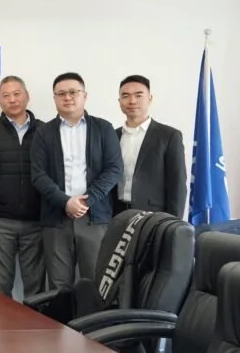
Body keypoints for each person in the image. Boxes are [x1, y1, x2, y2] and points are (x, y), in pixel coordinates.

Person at [31, 72, 123, 288]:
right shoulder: (43, 133)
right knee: (58, 286)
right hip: (56, 219)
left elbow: (114, 169)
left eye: (73, 92)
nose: (67, 97)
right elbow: (38, 174)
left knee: (95, 283)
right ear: (54, 98)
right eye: (61, 93)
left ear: (85, 96)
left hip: (94, 218)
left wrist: (86, 201)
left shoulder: (103, 128)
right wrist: (65, 202)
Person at [0, 76, 46, 297]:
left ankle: (35, 321)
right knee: (0, 286)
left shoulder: (45, 130)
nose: (12, 100)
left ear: (27, 96)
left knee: (36, 287)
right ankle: (2, 322)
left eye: (17, 94)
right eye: (6, 96)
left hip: (36, 221)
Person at [114, 75, 187, 218]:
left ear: (150, 98)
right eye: (126, 96)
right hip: (116, 214)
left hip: (153, 215)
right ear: (119, 101)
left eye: (138, 95)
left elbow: (177, 184)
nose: (132, 101)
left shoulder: (169, 136)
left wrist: (172, 223)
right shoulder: (112, 136)